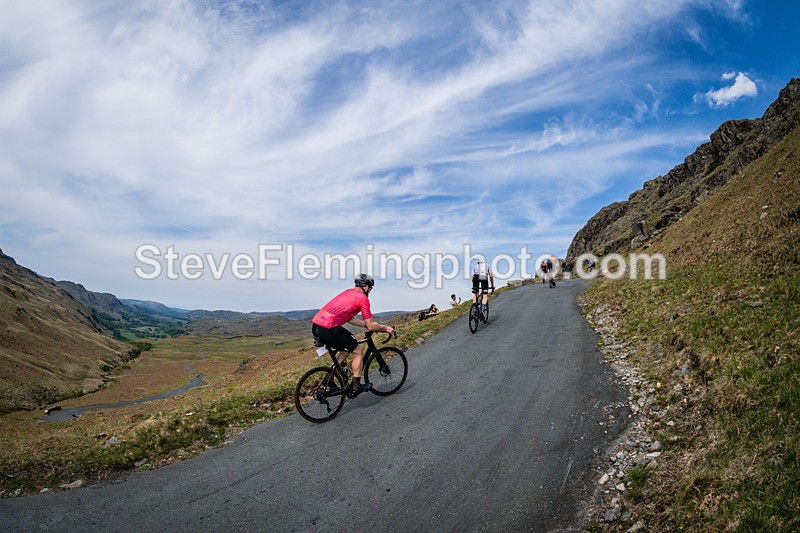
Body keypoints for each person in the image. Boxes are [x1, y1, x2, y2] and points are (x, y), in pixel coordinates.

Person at [311, 274, 395, 396]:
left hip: (317, 326)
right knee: (357, 349)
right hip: (329, 328)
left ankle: (328, 380)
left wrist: (365, 325)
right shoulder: (363, 299)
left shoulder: (347, 292)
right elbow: (371, 326)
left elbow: (350, 318)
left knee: (345, 350)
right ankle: (357, 385)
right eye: (370, 288)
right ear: (365, 286)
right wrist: (386, 328)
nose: (370, 291)